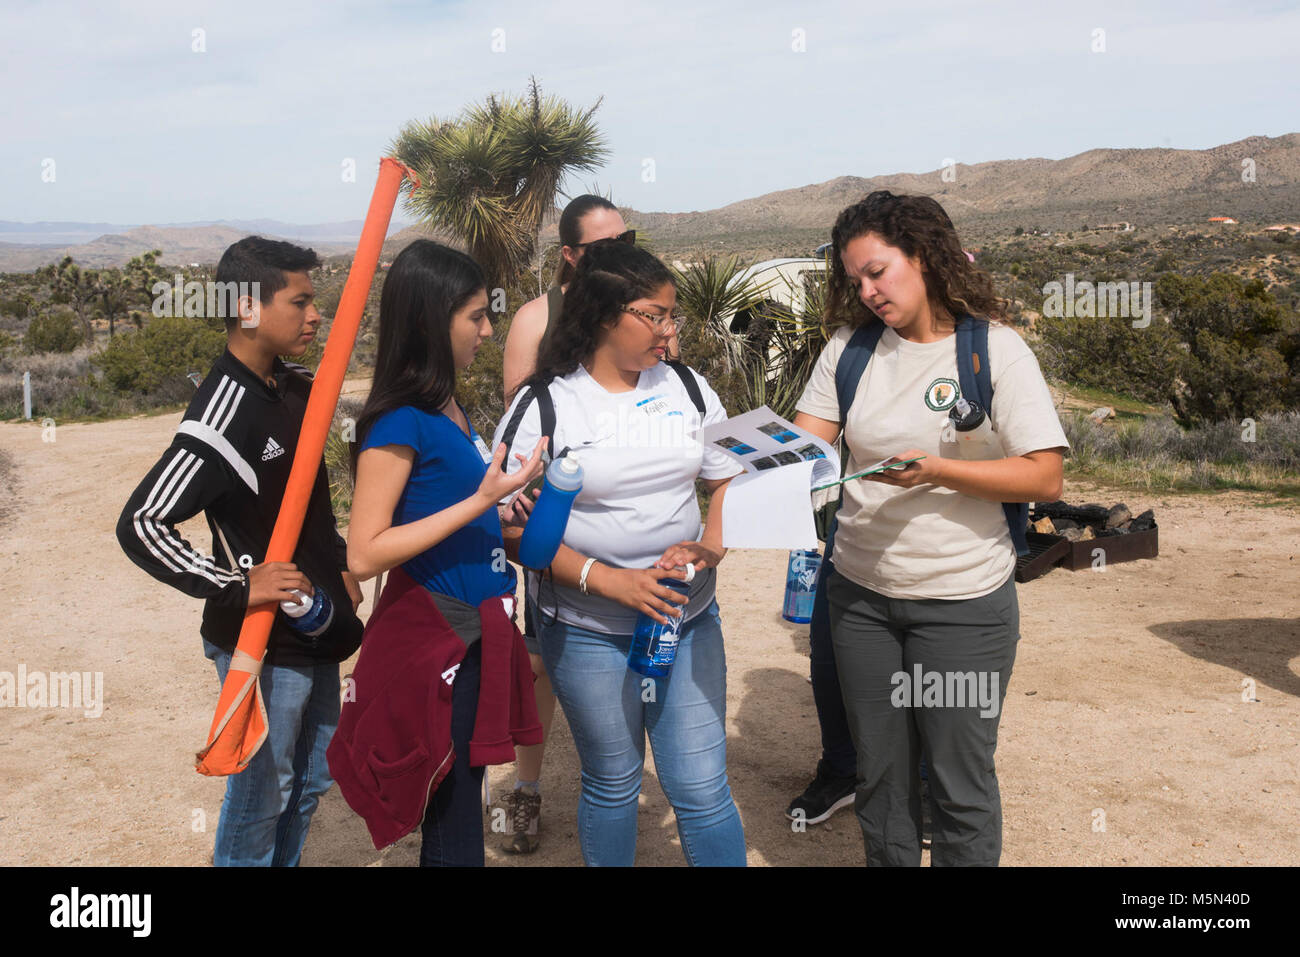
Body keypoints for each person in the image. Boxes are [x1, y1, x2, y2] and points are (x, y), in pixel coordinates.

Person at [792, 190, 1069, 866]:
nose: (868, 291)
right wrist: (747, 457)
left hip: (964, 606)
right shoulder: (849, 350)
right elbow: (807, 447)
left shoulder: (993, 349)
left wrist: (941, 471)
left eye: (878, 271)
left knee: (957, 786)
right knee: (882, 786)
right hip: (858, 600)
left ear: (922, 255)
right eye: (855, 279)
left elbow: (1043, 477)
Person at [493, 239, 746, 866]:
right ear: (606, 315)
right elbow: (511, 532)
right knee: (613, 781)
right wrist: (610, 581)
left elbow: (730, 474)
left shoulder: (687, 386)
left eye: (672, 315)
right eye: (654, 315)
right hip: (585, 630)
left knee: (700, 785)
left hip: (684, 620)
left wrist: (711, 544)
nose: (669, 330)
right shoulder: (545, 404)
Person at [116, 236, 365, 866]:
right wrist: (236, 583)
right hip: (259, 642)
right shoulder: (223, 410)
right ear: (249, 309)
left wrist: (335, 561)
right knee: (263, 794)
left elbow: (306, 503)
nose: (316, 316)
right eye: (301, 301)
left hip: (314, 625)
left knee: (307, 784)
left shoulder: (293, 388)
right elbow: (142, 522)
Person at [343, 239, 547, 866]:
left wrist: (496, 508)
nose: (489, 330)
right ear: (433, 320)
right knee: (455, 815)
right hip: (442, 637)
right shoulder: (400, 420)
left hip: (475, 630)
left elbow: (444, 507)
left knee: (462, 802)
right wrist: (480, 497)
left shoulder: (447, 406)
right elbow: (364, 553)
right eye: (476, 316)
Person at [497, 195, 674, 853]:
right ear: (569, 254)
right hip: (558, 520)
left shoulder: (646, 311)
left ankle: (627, 770)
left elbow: (665, 389)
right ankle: (527, 789)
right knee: (541, 662)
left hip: (639, 525)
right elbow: (521, 422)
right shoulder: (535, 319)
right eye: (600, 245)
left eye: (624, 237)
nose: (616, 249)